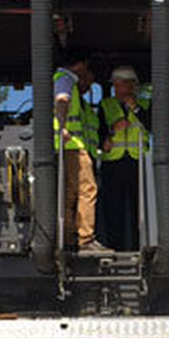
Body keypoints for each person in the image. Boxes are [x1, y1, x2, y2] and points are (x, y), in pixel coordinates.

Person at [54, 49, 104, 252]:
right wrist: (62, 125)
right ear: (82, 65)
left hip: (68, 147)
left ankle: (68, 238)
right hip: (73, 146)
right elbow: (62, 100)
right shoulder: (66, 79)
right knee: (88, 189)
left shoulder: (66, 83)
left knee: (70, 194)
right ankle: (86, 238)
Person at [98, 66, 148, 250]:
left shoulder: (145, 104)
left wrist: (135, 109)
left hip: (138, 162)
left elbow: (151, 124)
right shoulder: (105, 105)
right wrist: (110, 133)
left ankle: (139, 248)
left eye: (126, 84)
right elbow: (98, 132)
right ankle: (114, 248)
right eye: (117, 85)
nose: (121, 89)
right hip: (113, 163)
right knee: (113, 209)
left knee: (139, 209)